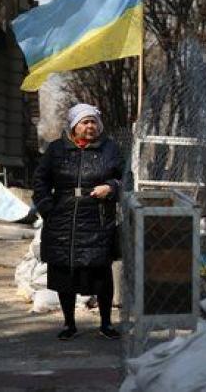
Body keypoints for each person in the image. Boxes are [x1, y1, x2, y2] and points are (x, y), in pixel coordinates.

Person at [33, 104, 123, 341]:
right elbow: (40, 181)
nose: (90, 126)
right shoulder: (56, 149)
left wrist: (111, 187)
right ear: (74, 126)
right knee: (65, 274)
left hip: (98, 219)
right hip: (62, 219)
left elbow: (126, 179)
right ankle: (69, 324)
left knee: (101, 274)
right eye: (85, 122)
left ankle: (105, 324)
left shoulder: (110, 149)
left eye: (93, 122)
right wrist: (47, 208)